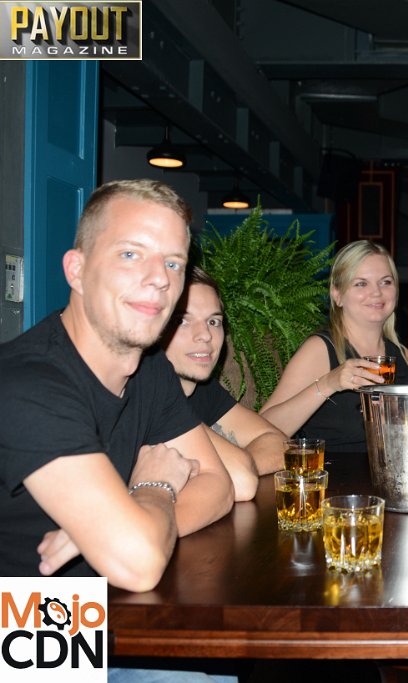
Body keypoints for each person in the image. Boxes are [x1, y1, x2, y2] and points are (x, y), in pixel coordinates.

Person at [0, 179, 234, 589]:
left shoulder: (149, 368)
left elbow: (220, 487)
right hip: (26, 616)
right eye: (130, 254)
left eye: (173, 263)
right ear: (76, 270)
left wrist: (120, 526)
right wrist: (155, 489)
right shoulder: (28, 383)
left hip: (100, 605)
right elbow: (139, 564)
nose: (159, 278)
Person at [261, 240, 408, 452]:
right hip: (333, 472)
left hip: (393, 471)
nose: (377, 292)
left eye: (386, 282)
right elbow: (263, 430)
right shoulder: (320, 350)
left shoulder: (404, 356)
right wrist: (329, 383)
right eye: (361, 283)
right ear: (337, 295)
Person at [162, 266, 287, 500]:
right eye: (182, 321)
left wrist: (226, 469)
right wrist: (230, 469)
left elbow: (279, 444)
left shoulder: (200, 388)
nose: (205, 335)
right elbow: (240, 479)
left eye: (213, 321)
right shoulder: (145, 395)